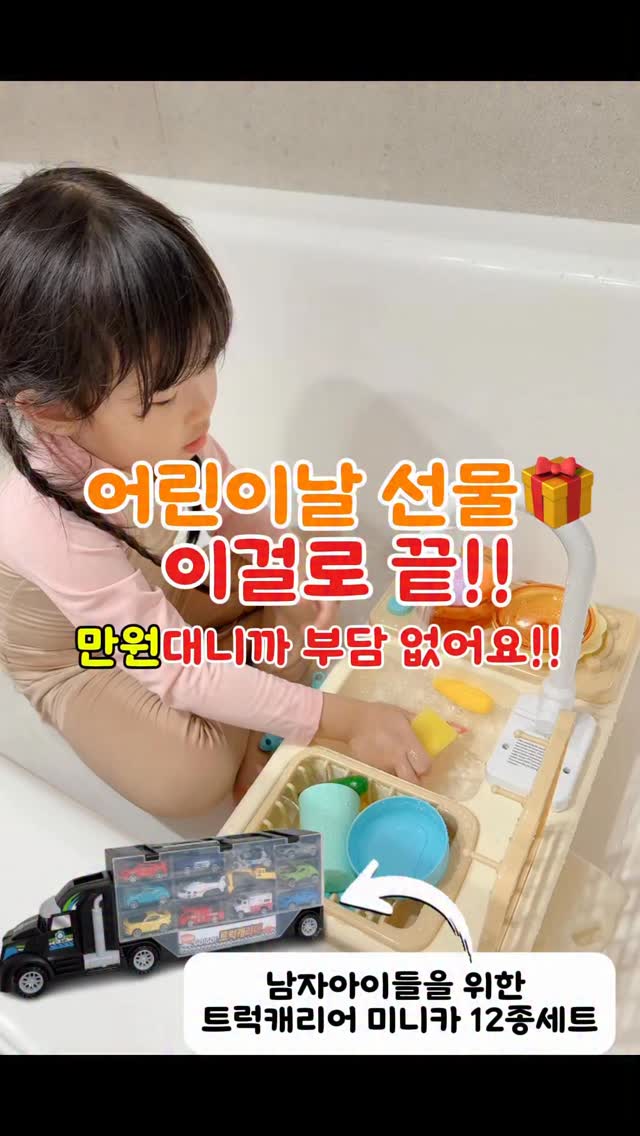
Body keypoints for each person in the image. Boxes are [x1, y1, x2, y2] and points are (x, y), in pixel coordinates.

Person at [0, 165, 431, 819]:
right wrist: (339, 717)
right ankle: (248, 710)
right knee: (190, 777)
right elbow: (171, 665)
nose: (203, 406)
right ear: (55, 411)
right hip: (83, 652)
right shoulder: (41, 523)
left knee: (303, 581)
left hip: (154, 588)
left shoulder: (171, 433)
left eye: (206, 362)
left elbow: (235, 516)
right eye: (165, 397)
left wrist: (291, 574)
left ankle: (249, 706)